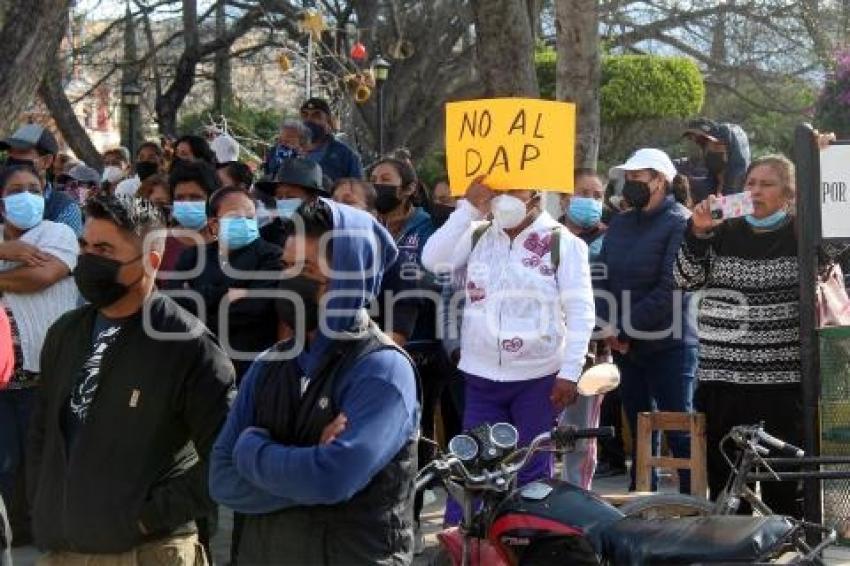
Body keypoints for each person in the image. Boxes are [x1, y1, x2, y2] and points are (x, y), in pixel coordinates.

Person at [27, 195, 234, 564]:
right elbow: (45, 429)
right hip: (66, 548)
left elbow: (226, 459)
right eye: (85, 246)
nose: (89, 259)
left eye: (105, 249)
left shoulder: (188, 346)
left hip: (148, 552)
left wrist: (143, 518)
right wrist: (44, 504)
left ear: (151, 261)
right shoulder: (66, 332)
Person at [210, 199, 419, 564]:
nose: (289, 280)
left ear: (351, 279)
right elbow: (222, 479)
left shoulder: (382, 371)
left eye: (306, 269)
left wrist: (252, 451)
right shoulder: (268, 363)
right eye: (286, 265)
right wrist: (311, 463)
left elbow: (331, 479)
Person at [422, 177, 596, 524]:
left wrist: (569, 373)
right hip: (482, 378)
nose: (503, 199)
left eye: (513, 190)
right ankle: (463, 550)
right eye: (497, 191)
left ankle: (529, 544)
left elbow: (581, 312)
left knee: (532, 471)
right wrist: (469, 208)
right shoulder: (477, 234)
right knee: (471, 469)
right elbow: (432, 260)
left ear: (535, 193)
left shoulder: (564, 243)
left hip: (539, 379)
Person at [675, 155, 802, 516]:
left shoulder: (800, 231)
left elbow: (832, 256)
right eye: (751, 183)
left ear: (788, 194)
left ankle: (787, 547)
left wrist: (819, 162)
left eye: (767, 184)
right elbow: (685, 279)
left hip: (781, 380)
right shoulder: (721, 229)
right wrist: (697, 231)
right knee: (727, 481)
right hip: (723, 379)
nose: (756, 191)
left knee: (783, 481)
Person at [597, 148, 697, 493]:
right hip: (626, 346)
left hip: (670, 343)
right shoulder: (621, 222)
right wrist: (609, 326)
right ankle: (642, 499)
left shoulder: (682, 221)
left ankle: (694, 503)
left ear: (660, 180)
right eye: (628, 177)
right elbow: (601, 277)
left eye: (637, 178)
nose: (629, 184)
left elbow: (673, 287)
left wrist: (622, 327)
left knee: (678, 428)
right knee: (639, 427)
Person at [0, 164, 80, 546]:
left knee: (47, 465)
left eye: (35, 187)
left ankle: (53, 541)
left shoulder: (58, 233)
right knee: (7, 470)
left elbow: (41, 277)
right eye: (16, 189)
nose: (27, 195)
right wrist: (4, 251)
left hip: (46, 376)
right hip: (4, 381)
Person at [368, 157, 441, 551]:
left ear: (409, 189)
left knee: (414, 434)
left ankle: (410, 516)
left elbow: (441, 281)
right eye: (373, 179)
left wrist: (413, 280)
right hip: (370, 344)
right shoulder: (368, 227)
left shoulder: (428, 228)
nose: (377, 186)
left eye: (386, 180)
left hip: (420, 348)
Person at [169, 186, 282, 381]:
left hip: (247, 368)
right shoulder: (193, 256)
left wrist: (197, 298)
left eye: (250, 217)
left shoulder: (271, 256)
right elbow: (174, 304)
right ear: (214, 224)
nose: (245, 223)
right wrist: (226, 294)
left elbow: (256, 307)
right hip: (197, 365)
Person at [556, 169, 625, 486]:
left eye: (598, 195)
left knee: (582, 431)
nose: (592, 201)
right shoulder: (546, 238)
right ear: (565, 197)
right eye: (584, 193)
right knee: (540, 432)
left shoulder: (611, 239)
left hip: (594, 350)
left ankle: (576, 494)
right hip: (545, 348)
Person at [0, 124, 83, 235]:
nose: (13, 157)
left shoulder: (65, 209)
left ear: (47, 161)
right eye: (10, 151)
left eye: (21, 151)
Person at [682, 118, 751, 203]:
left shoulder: (746, 197)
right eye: (703, 145)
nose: (709, 150)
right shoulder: (704, 189)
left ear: (732, 152)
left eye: (717, 145)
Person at [300, 98, 363, 182]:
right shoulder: (285, 150)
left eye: (316, 116)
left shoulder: (346, 156)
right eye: (305, 115)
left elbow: (356, 189)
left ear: (328, 122)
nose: (309, 120)